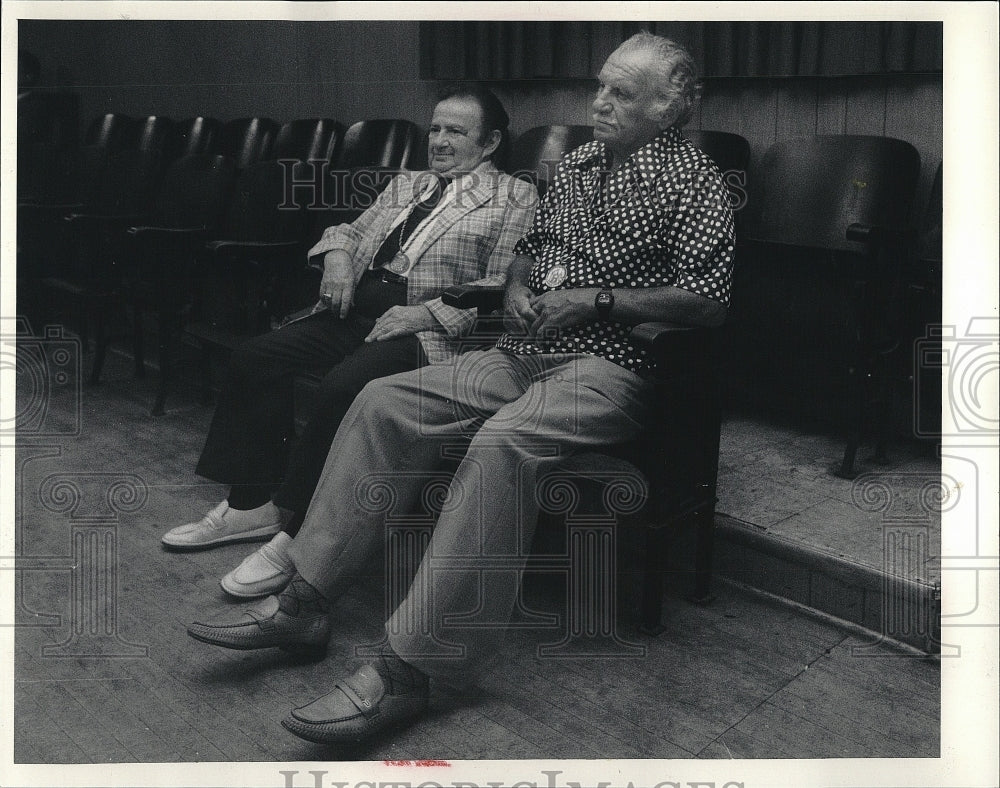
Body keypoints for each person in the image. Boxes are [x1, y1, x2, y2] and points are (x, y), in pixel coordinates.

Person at [187, 33, 735, 745]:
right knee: (384, 401)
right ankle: (305, 602)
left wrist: (598, 302)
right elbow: (531, 253)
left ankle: (413, 668)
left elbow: (708, 300)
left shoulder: (695, 180)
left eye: (620, 93)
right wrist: (514, 288)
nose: (598, 102)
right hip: (525, 348)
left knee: (504, 442)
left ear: (670, 107)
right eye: (600, 86)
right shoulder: (575, 165)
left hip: (611, 366)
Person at [161, 86, 538, 600]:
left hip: (424, 331)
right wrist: (337, 256)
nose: (440, 141)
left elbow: (499, 289)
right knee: (254, 358)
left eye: (456, 131)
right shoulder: (407, 183)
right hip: (351, 312)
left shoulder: (515, 197)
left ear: (491, 141)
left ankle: (296, 534)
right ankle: (251, 506)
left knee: (344, 387)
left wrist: (423, 313)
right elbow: (349, 231)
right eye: (435, 129)